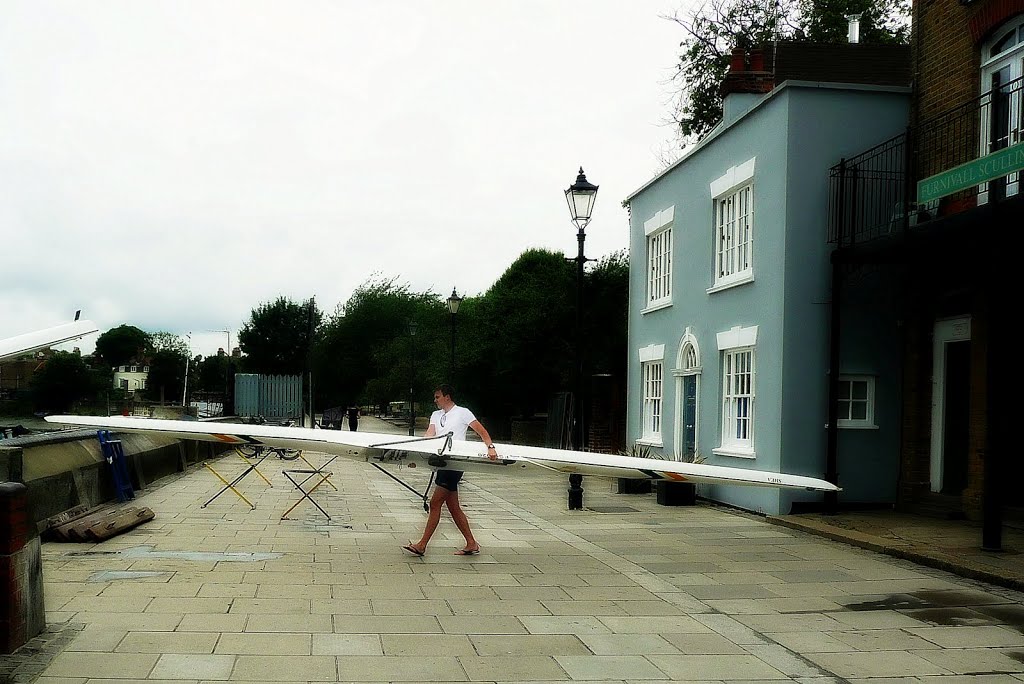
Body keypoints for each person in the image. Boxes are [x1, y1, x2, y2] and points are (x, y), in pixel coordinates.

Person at [401, 384, 497, 557]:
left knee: (435, 503)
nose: (435, 400)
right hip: (441, 463)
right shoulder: (435, 415)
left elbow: (481, 431)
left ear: (447, 397)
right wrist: (416, 450)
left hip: (455, 464)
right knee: (453, 507)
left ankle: (422, 545)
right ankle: (471, 543)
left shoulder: (463, 412)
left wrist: (490, 447)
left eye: (437, 397)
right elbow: (429, 434)